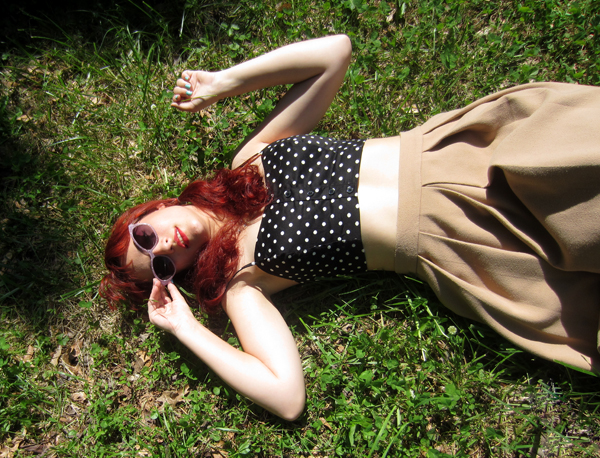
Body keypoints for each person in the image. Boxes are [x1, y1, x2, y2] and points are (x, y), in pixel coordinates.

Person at [100, 35, 600, 420]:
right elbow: (287, 396)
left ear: (155, 209)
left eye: (147, 237)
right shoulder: (241, 282)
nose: (166, 246)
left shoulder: (249, 159)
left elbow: (334, 54)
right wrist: (185, 328)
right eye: (161, 265)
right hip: (459, 236)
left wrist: (225, 82)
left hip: (460, 152)